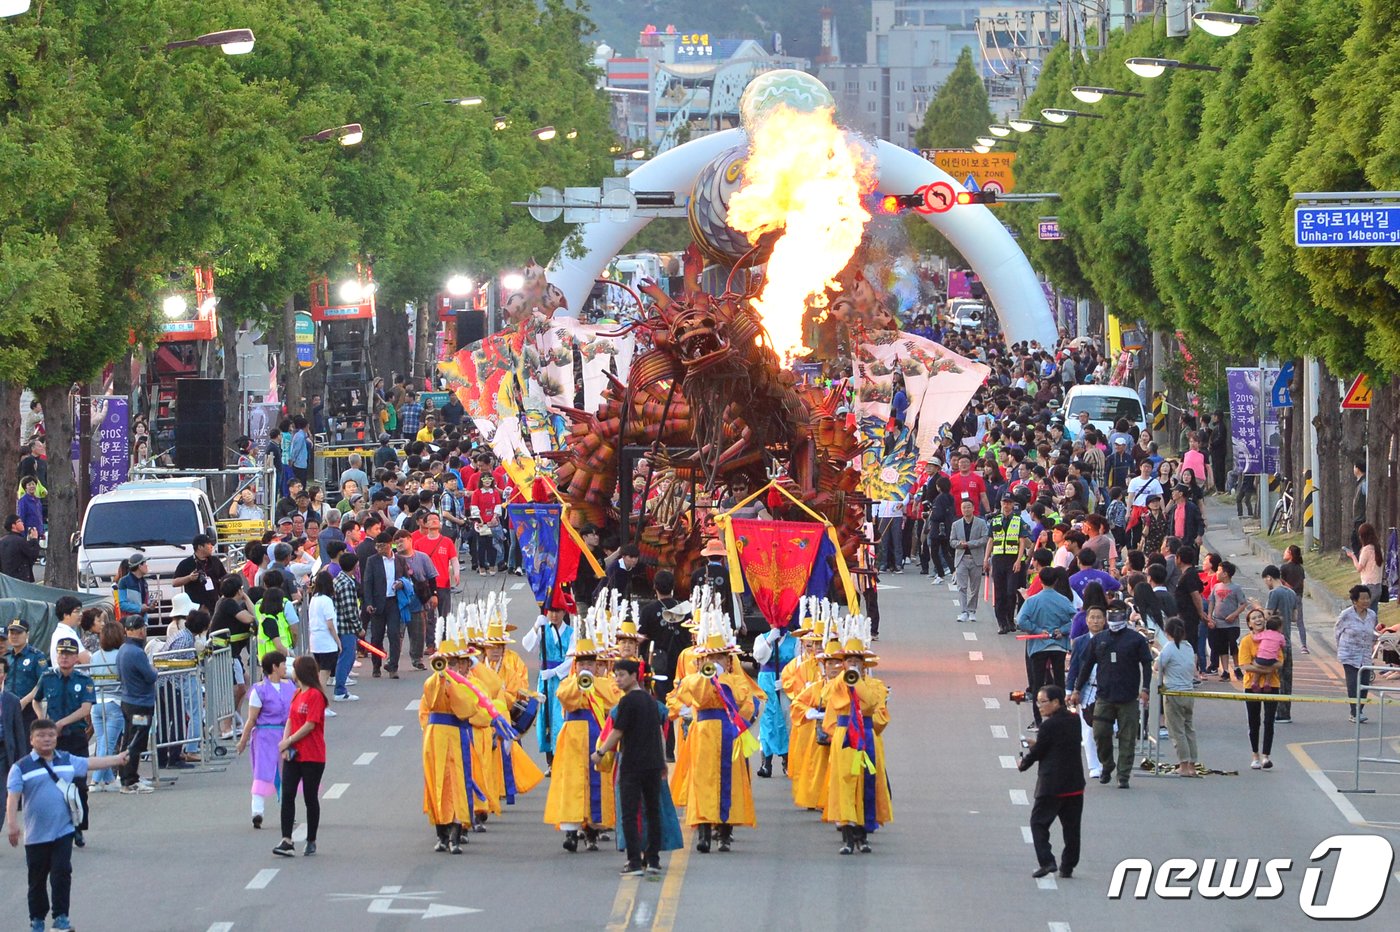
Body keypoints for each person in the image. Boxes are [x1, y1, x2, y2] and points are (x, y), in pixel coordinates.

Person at [7, 719, 129, 932]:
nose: (46, 739)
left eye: (51, 735)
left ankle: (61, 917)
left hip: (63, 830)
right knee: (37, 881)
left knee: (62, 872)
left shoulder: (66, 759)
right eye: (41, 736)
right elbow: (12, 797)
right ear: (31, 740)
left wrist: (117, 759)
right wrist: (12, 824)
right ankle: (37, 919)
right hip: (36, 835)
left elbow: (91, 763)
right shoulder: (21, 767)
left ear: (56, 737)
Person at [542, 634, 622, 852]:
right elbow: (564, 697)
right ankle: (571, 830)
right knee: (573, 782)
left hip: (597, 734)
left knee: (596, 782)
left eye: (590, 663)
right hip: (573, 737)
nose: (586, 667)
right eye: (582, 663)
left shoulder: (605, 684)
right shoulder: (568, 683)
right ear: (575, 666)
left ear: (597, 666)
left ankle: (592, 831)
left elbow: (614, 702)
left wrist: (593, 686)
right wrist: (580, 685)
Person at [592, 657, 668, 876]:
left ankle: (634, 861)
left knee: (629, 812)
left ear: (634, 676)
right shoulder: (651, 701)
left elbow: (617, 732)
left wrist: (600, 752)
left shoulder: (627, 702)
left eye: (622, 675)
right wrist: (662, 762)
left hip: (633, 764)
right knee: (653, 812)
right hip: (653, 764)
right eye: (616, 675)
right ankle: (652, 860)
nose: (617, 679)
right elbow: (659, 734)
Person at [821, 628, 891, 856]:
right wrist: (845, 678)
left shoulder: (874, 686)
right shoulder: (836, 684)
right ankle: (847, 836)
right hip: (845, 737)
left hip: (867, 736)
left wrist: (857, 683)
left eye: (856, 661)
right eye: (848, 660)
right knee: (845, 783)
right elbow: (827, 703)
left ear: (864, 665)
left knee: (865, 782)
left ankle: (863, 834)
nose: (852, 665)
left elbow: (873, 707)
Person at [420, 638, 489, 855]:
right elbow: (428, 704)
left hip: (457, 735)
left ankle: (456, 834)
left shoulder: (467, 685)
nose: (449, 667)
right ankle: (441, 833)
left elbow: (468, 708)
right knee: (436, 782)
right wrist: (441, 681)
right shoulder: (432, 682)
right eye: (445, 662)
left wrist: (453, 687)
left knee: (458, 783)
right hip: (436, 737)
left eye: (453, 663)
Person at [1070, 606, 1152, 789]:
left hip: (1128, 698)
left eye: (1118, 614)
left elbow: (1147, 663)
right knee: (1099, 733)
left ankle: (1123, 775)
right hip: (1104, 697)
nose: (1114, 618)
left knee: (1128, 738)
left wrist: (1145, 688)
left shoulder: (1136, 639)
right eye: (1111, 614)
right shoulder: (1099, 640)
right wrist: (1076, 689)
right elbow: (1086, 665)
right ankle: (1107, 764)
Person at [25, 638, 95, 847]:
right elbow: (36, 699)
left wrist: (62, 723)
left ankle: (79, 828)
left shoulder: (84, 680)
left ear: (75, 658)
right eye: (61, 654)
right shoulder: (47, 678)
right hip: (53, 741)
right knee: (54, 785)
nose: (64, 657)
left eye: (68, 654)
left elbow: (85, 709)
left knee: (79, 785)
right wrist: (42, 720)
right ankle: (60, 828)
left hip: (75, 737)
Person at [1016, 685, 1083, 879]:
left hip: (1052, 785)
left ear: (1056, 702)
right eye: (1037, 702)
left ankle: (1047, 861)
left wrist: (1023, 763)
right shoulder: (1074, 720)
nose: (1039, 706)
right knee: (1072, 828)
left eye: (1043, 702)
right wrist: (1037, 743)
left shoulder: (1048, 726)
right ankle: (1068, 866)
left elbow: (1039, 752)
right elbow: (1058, 745)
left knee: (1038, 823)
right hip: (1074, 785)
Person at [272, 656, 328, 857]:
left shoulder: (315, 695)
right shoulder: (297, 693)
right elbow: (290, 719)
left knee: (310, 797)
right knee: (287, 794)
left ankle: (311, 838)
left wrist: (289, 741)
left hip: (312, 754)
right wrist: (285, 742)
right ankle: (286, 839)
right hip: (294, 754)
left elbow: (310, 724)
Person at [234, 651, 295, 829]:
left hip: (286, 734)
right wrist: (243, 741)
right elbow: (251, 719)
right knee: (262, 771)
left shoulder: (290, 686)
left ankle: (287, 810)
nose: (286, 667)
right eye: (283, 664)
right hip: (265, 735)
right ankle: (257, 811)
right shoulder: (259, 690)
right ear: (274, 667)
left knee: (288, 773)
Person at [1016, 568, 1073, 729]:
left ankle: (1038, 720)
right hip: (1059, 645)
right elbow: (1075, 619)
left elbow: (1021, 620)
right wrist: (1062, 630)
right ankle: (1060, 717)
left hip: (1039, 645)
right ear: (1056, 581)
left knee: (1037, 684)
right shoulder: (1063, 600)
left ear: (1040, 580)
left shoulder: (1033, 600)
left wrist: (1036, 629)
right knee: (1059, 681)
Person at [522, 607, 574, 769]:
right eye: (551, 611)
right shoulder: (543, 630)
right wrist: (536, 627)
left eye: (558, 611)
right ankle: (550, 760)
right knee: (545, 718)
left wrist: (555, 672)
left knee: (559, 718)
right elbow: (527, 645)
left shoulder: (571, 633)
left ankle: (561, 758)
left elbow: (572, 658)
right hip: (544, 680)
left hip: (562, 680)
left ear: (564, 613)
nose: (554, 615)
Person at [116, 614, 159, 793]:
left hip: (128, 700)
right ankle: (130, 780)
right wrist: (155, 670)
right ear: (142, 630)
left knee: (129, 740)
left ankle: (126, 776)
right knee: (135, 742)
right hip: (140, 703)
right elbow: (150, 676)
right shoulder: (137, 652)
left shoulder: (123, 649)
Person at [1238, 608, 1285, 770]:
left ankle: (1266, 756)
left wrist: (1260, 668)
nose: (1258, 620)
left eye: (1260, 617)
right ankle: (1255, 755)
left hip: (1272, 685)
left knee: (1269, 721)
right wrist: (1265, 670)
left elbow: (1279, 662)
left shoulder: (1273, 637)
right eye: (1254, 618)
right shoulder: (1246, 641)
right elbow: (1244, 665)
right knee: (1254, 721)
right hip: (1251, 686)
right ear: (1249, 624)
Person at [1154, 618, 1198, 777]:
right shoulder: (1188, 646)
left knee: (1176, 729)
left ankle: (1184, 764)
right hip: (1189, 691)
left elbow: (1157, 666)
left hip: (1173, 692)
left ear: (1167, 632)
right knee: (1189, 728)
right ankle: (1192, 764)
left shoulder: (1169, 648)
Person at [361, 531, 407, 678]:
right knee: (376, 637)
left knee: (394, 634)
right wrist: (368, 602)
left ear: (389, 545)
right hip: (377, 603)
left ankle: (393, 666)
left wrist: (401, 583)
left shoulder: (399, 560)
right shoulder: (372, 560)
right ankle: (376, 665)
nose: (379, 549)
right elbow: (367, 583)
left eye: (382, 546)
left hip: (394, 601)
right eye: (377, 546)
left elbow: (406, 577)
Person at [85, 620, 125, 793]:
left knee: (102, 741)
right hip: (115, 703)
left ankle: (108, 780)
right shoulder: (121, 655)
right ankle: (95, 780)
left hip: (97, 704)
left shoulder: (95, 656)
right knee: (108, 745)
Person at [985, 496, 1030, 634]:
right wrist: (986, 559)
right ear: (1001, 504)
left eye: (1009, 503)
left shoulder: (1018, 521)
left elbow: (1022, 541)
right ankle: (1002, 623)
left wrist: (1018, 560)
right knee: (1000, 593)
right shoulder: (995, 520)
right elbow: (991, 540)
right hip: (998, 559)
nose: (1006, 505)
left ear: (1013, 505)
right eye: (1004, 502)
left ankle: (1010, 620)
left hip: (1012, 559)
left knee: (1011, 592)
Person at [1336, 585, 1378, 725]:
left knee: (1365, 684)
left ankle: (1359, 710)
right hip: (1349, 654)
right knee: (1353, 683)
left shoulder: (1372, 615)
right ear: (1355, 601)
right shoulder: (1346, 615)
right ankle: (1355, 712)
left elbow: (1372, 633)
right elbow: (1338, 632)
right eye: (1363, 598)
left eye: (1368, 598)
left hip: (1365, 654)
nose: (1366, 601)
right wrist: (1341, 648)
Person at [948, 499, 989, 622]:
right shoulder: (956, 524)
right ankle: (963, 611)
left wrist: (970, 544)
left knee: (975, 587)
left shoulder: (981, 523)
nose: (966, 509)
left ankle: (972, 610)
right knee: (962, 586)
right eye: (964, 507)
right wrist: (960, 544)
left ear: (973, 508)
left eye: (968, 507)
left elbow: (985, 538)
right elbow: (951, 541)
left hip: (976, 558)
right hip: (961, 558)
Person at [331, 552, 362, 702]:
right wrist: (358, 627)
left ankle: (341, 688)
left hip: (340, 625)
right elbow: (350, 609)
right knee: (347, 657)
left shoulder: (338, 579)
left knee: (345, 657)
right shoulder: (347, 583)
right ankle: (340, 690)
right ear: (354, 566)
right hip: (346, 627)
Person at [1206, 560, 1245, 682]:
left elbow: (1243, 604)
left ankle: (1237, 668)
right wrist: (1209, 616)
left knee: (1233, 645)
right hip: (1219, 623)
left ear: (1225, 574)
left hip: (1232, 624)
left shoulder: (1236, 588)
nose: (1216, 573)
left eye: (1219, 570)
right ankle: (1225, 671)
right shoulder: (1216, 587)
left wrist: (1234, 615)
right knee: (1222, 647)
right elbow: (1211, 601)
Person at [5, 620, 48, 730]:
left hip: (28, 709)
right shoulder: (6, 657)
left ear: (27, 634)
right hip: (7, 709)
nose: (14, 636)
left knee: (26, 744)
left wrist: (24, 701)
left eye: (18, 633)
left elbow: (43, 680)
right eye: (11, 633)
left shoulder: (36, 656)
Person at [171, 533, 228, 614]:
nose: (211, 546)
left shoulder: (215, 561)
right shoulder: (187, 563)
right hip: (195, 607)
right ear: (200, 547)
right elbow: (174, 582)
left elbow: (224, 577)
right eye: (208, 544)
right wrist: (189, 578)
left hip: (214, 604)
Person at [306, 571, 341, 701]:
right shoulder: (327, 601)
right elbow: (330, 624)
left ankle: (318, 701)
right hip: (327, 642)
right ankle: (320, 703)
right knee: (324, 675)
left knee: (320, 672)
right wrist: (338, 641)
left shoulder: (313, 599)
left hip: (315, 640)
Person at [1344, 523, 1383, 605]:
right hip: (1378, 586)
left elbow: (1359, 568)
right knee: (1372, 614)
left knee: (1360, 612)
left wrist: (1352, 556)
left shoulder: (1366, 549)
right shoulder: (1378, 548)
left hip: (1368, 586)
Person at [1280, 545, 1308, 653]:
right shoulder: (1300, 568)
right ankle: (1304, 645)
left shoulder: (1284, 567)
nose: (1284, 553)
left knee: (1285, 621)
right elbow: (1302, 583)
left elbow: (1281, 581)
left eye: (1286, 551)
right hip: (1298, 596)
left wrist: (1288, 586)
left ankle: (1285, 643)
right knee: (1300, 621)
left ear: (1290, 554)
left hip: (1287, 596)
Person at [0, 514, 42, 583]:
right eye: (19, 521)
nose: (22, 523)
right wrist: (34, 539)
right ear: (13, 525)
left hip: (6, 580)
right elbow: (33, 554)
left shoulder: (3, 540)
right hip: (20, 579)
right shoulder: (20, 541)